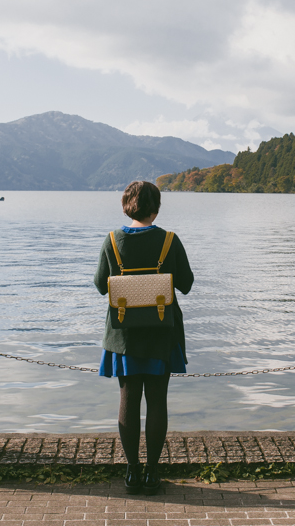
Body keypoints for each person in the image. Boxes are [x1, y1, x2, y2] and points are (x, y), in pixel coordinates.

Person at [94, 180, 193, 495]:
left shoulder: (112, 241)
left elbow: (100, 285)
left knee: (128, 400)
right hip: (162, 335)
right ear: (156, 207)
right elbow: (187, 284)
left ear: (126, 205)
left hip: (124, 337)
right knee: (157, 401)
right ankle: (152, 473)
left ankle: (132, 473)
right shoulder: (169, 241)